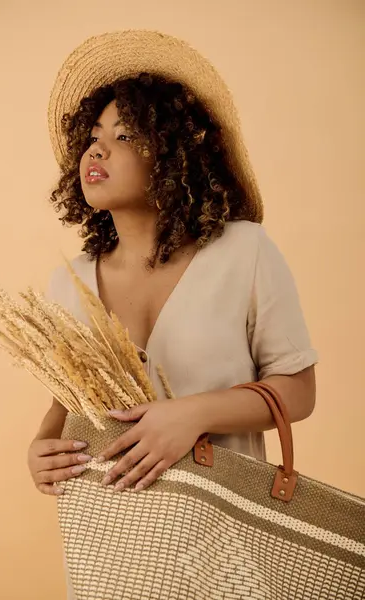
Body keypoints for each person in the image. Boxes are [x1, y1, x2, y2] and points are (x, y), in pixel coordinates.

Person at [27, 30, 317, 595]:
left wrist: (190, 415)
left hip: (225, 545)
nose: (96, 149)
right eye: (92, 136)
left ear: (173, 151)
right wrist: (40, 449)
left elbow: (299, 392)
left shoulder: (245, 251)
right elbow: (67, 404)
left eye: (125, 134)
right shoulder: (68, 283)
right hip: (109, 550)